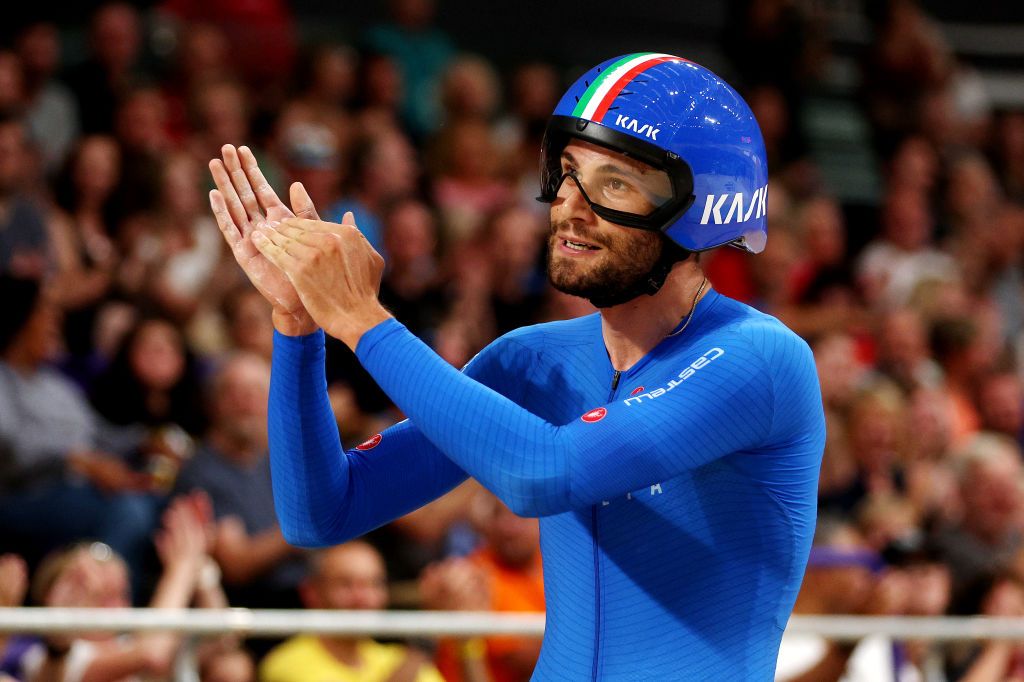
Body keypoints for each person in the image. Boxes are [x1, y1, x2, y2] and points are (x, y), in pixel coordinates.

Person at [209, 54, 826, 679]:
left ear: (702, 210)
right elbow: (320, 513)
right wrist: (299, 326)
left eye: (612, 183)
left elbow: (547, 473)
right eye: (565, 173)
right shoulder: (531, 358)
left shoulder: (761, 359)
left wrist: (364, 320)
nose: (568, 205)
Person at [259, 541, 442, 682]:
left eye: (374, 584)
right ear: (312, 592)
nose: (362, 598)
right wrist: (422, 644)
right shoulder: (286, 664)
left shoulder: (396, 657)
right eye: (346, 584)